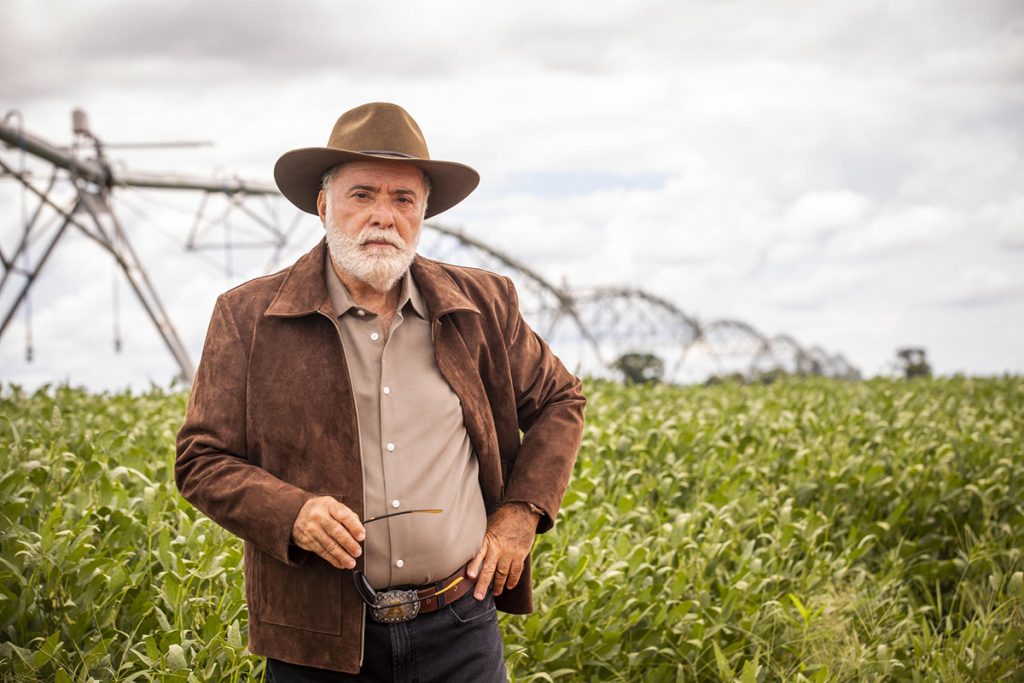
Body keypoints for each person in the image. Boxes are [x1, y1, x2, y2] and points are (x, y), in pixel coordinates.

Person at [174, 102, 586, 681]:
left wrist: (522, 513)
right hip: (317, 642)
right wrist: (292, 513)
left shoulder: (484, 305)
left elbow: (560, 400)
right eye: (362, 195)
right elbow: (201, 460)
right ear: (324, 206)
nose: (383, 217)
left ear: (423, 214)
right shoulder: (248, 316)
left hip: (460, 626)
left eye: (403, 199)